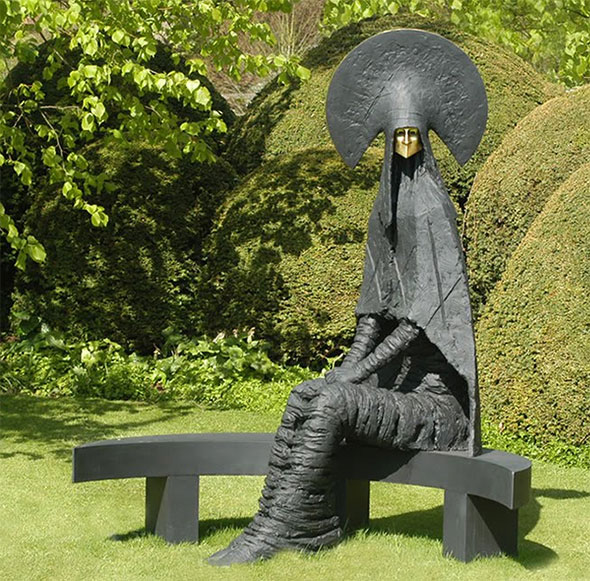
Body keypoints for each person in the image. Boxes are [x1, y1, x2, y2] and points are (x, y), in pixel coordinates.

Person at [209, 29, 487, 566]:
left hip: (437, 408)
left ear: (424, 138)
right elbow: (373, 314)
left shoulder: (432, 211)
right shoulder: (386, 209)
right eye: (396, 136)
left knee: (334, 401)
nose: (404, 145)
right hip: (398, 391)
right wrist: (347, 366)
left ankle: (286, 529)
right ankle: (291, 522)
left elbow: (417, 323)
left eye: (412, 135)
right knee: (306, 395)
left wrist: (355, 376)